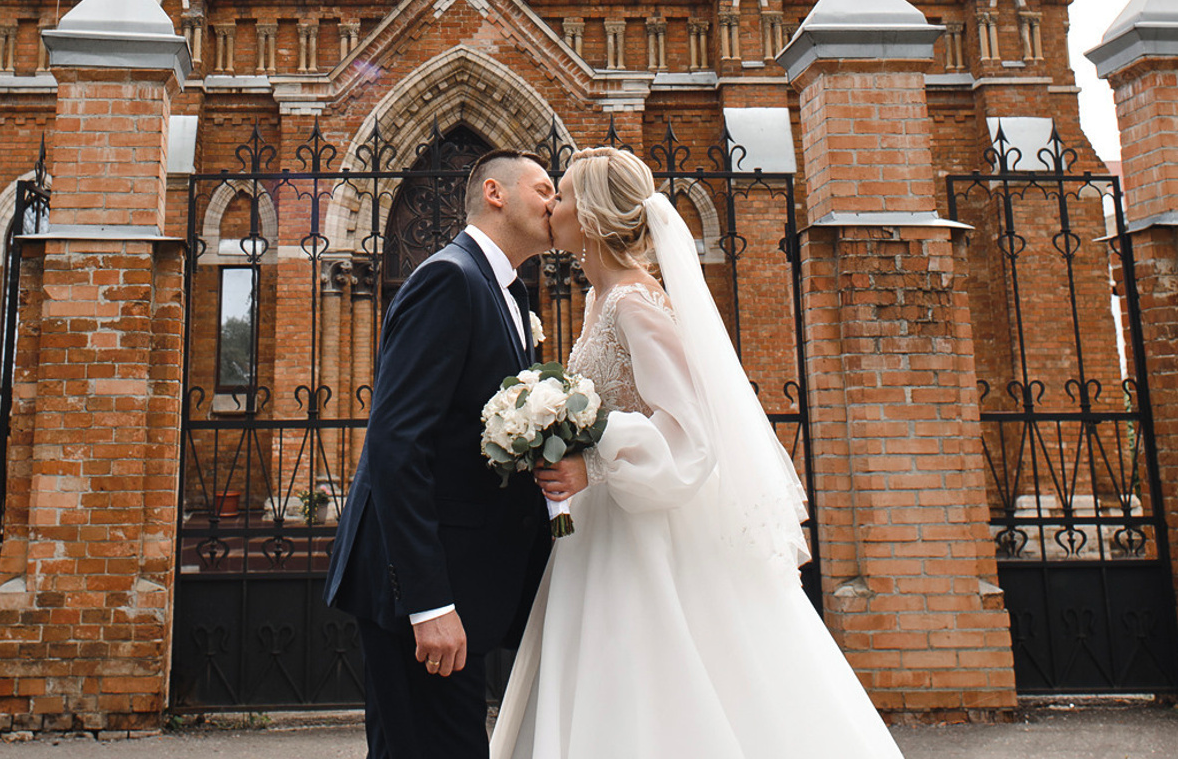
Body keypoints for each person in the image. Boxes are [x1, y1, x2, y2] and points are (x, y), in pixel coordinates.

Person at [495, 147, 904, 759]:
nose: (555, 205)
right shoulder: (596, 302)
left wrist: (595, 460)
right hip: (603, 529)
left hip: (645, 529)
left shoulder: (635, 304)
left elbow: (691, 434)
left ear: (597, 216)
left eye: (567, 195)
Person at [325, 150, 557, 759]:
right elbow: (398, 443)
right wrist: (428, 604)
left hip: (465, 580)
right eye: (543, 188)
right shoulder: (449, 278)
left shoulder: (506, 291)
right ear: (496, 193)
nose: (554, 202)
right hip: (423, 591)